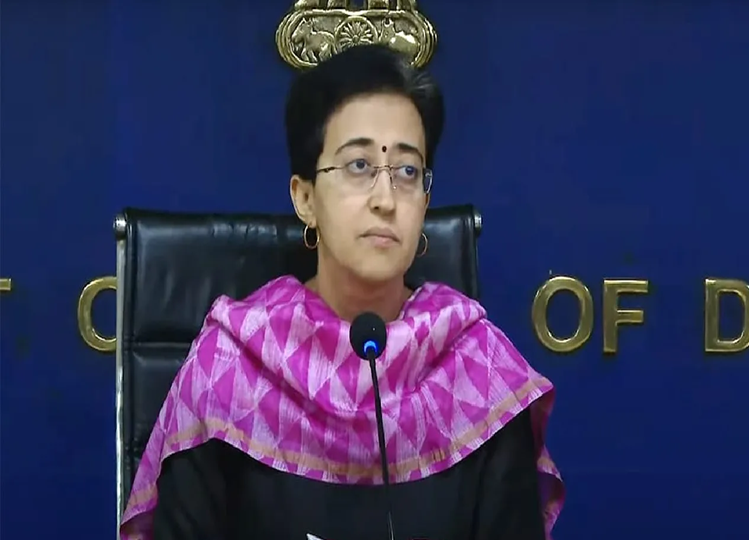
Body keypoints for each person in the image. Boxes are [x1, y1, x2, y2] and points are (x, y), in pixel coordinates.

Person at [119, 43, 564, 540]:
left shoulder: (481, 370)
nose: (385, 199)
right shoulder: (229, 368)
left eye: (407, 171)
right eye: (358, 166)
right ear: (305, 197)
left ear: (425, 201)